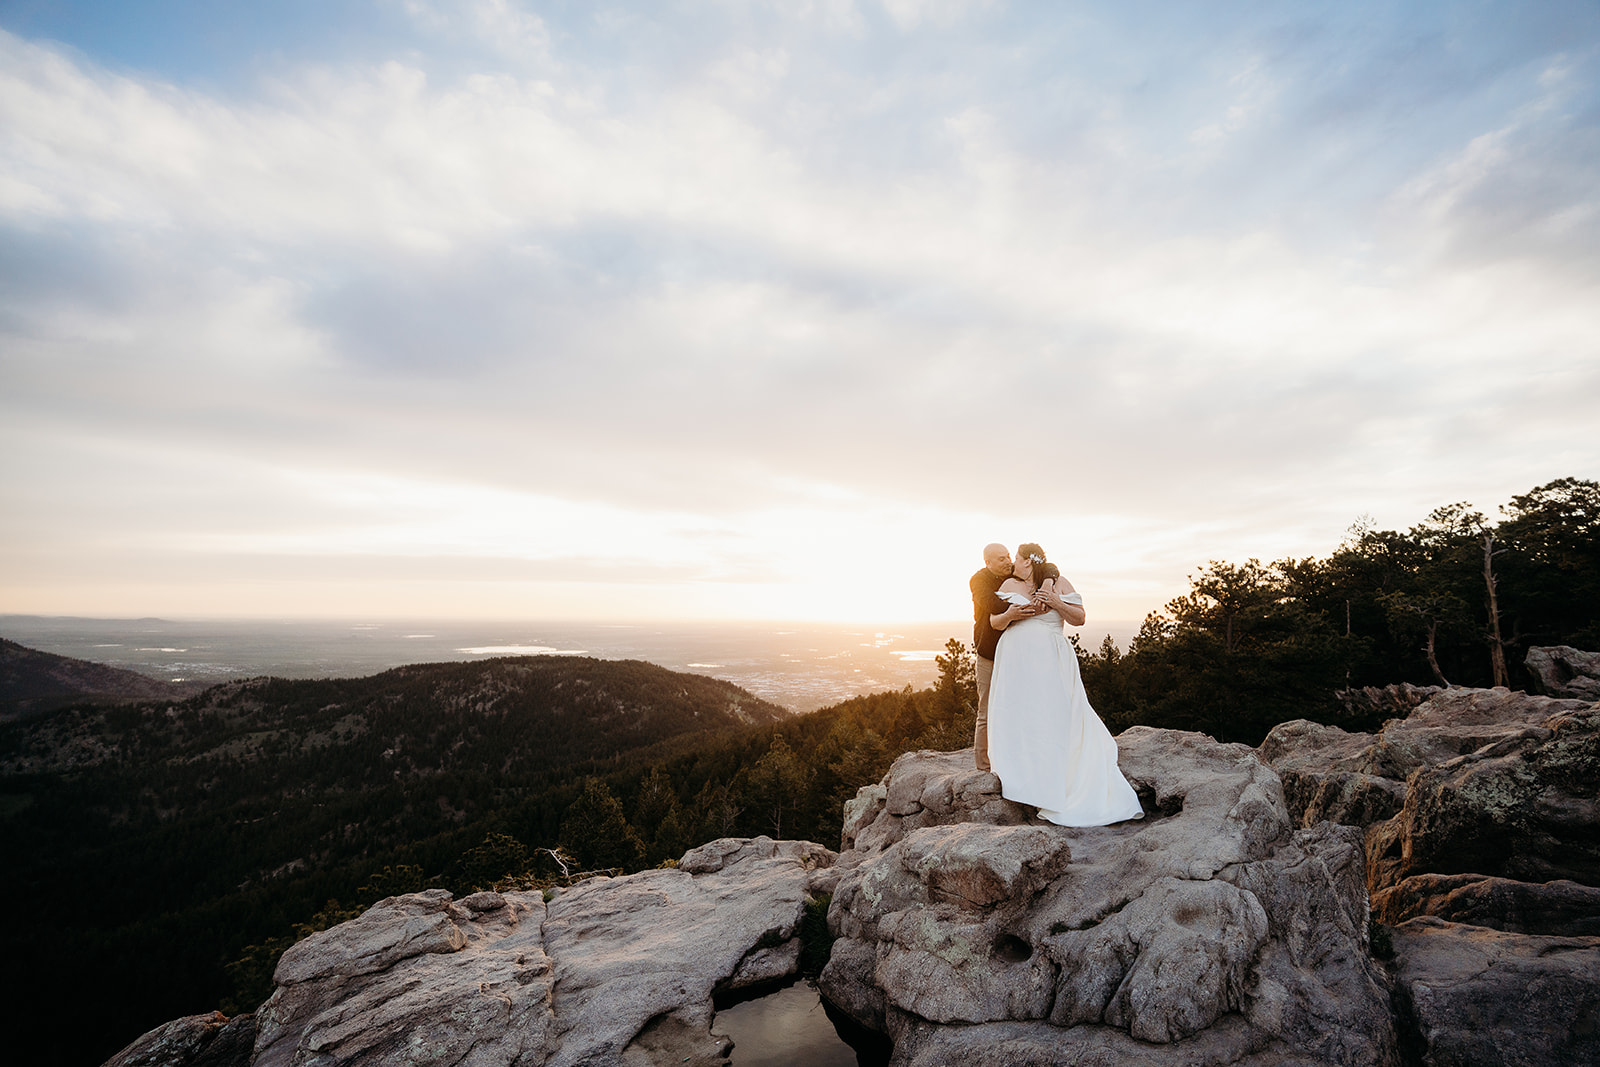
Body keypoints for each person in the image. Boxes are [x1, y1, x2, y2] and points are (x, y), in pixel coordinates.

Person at [985, 543, 1143, 826]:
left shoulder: (1060, 583)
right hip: (1017, 662)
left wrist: (1055, 602)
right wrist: (1012, 615)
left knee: (1053, 713)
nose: (1013, 565)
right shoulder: (1009, 583)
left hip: (1050, 658)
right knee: (1020, 715)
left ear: (1029, 562)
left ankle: (1057, 779)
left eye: (1018, 560)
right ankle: (1021, 777)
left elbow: (1079, 618)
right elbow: (994, 622)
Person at [970, 542, 1041, 772]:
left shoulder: (1012, 572)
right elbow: (992, 604)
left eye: (1008, 556)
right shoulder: (979, 580)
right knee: (986, 710)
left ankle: (1012, 757)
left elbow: (1045, 567)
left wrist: (1048, 580)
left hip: (1017, 654)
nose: (1008, 561)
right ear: (987, 562)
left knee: (1016, 706)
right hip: (989, 653)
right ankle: (983, 767)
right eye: (1001, 558)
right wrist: (1022, 602)